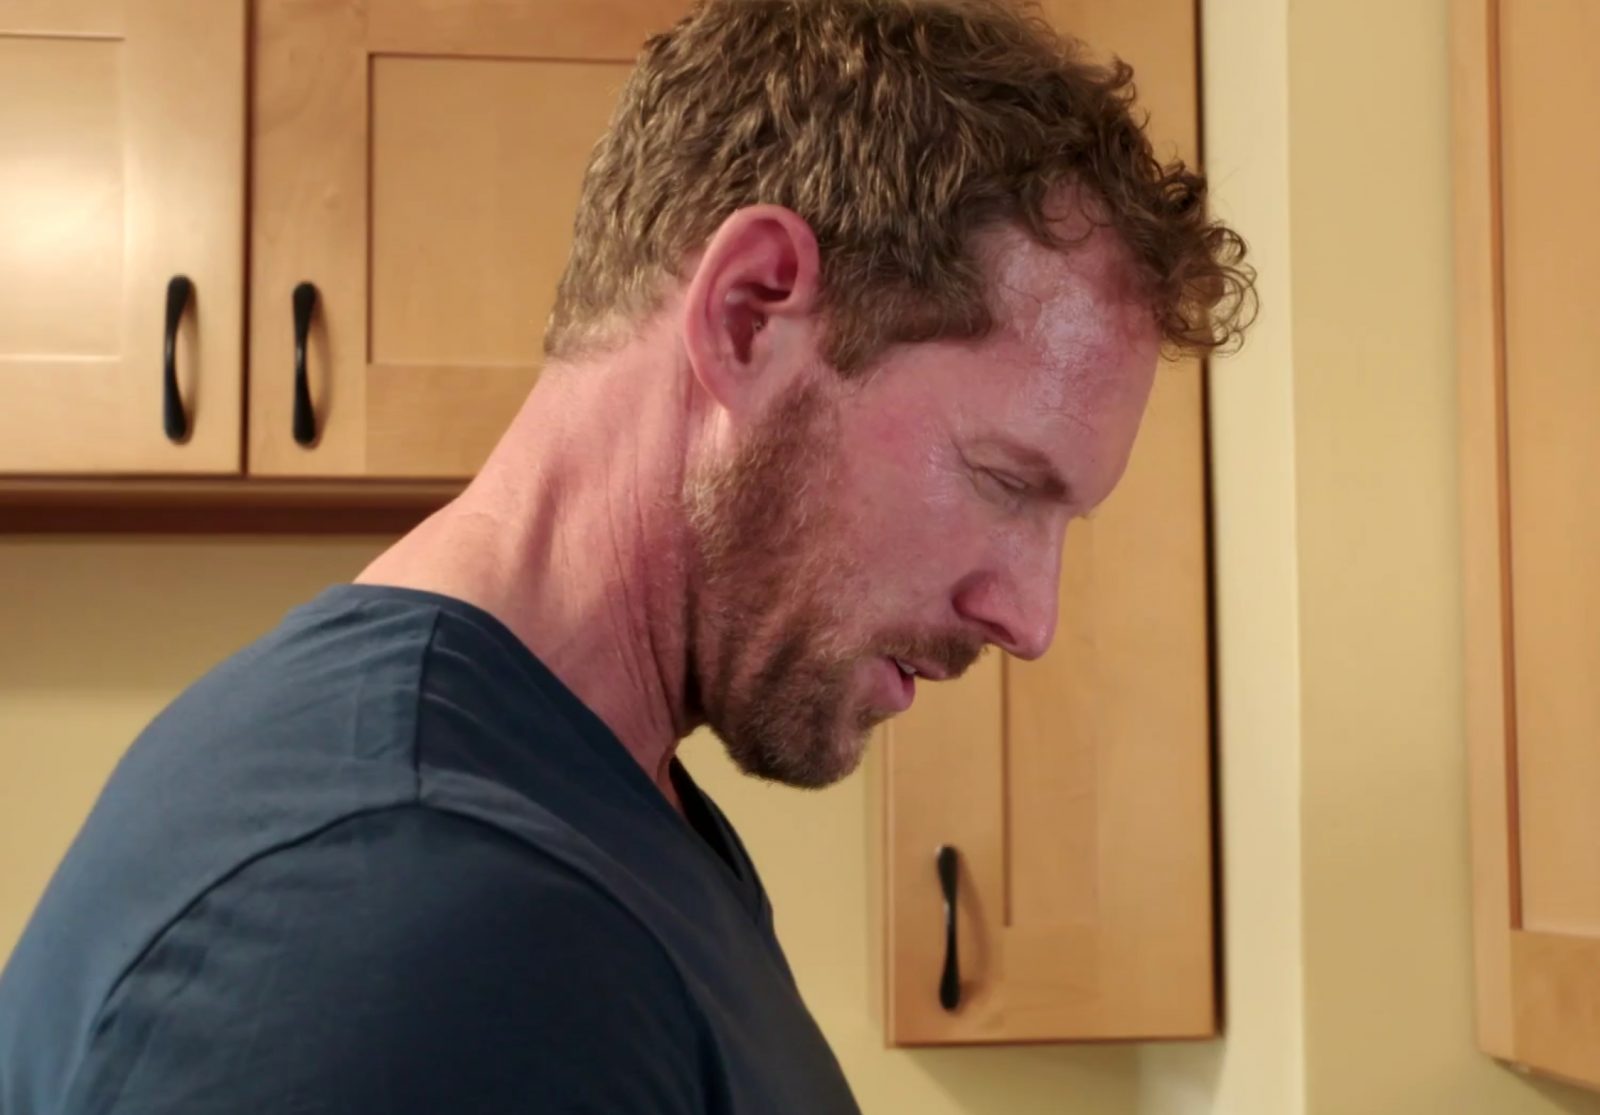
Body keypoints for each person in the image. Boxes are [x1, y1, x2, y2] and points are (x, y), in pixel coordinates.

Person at [0, 0, 1253, 1110]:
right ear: (748, 312)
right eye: (1003, 480)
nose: (1028, 616)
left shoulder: (582, 800)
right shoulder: (403, 914)